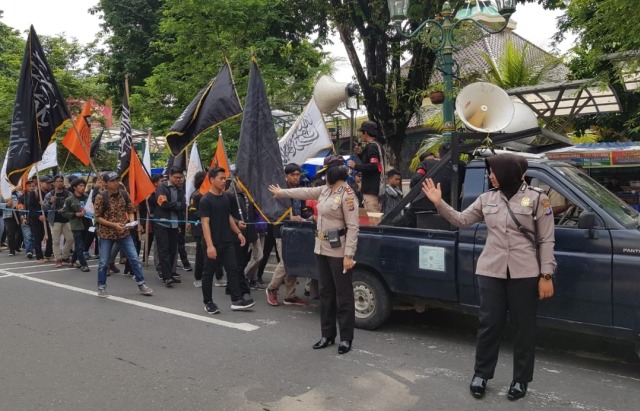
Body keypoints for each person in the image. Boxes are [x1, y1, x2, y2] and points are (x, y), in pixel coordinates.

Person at [421, 153, 556, 401]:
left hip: (525, 273)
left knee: (523, 328)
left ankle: (521, 379)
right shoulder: (486, 199)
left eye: (493, 171)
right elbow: (461, 220)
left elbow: (546, 239)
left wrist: (546, 274)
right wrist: (439, 203)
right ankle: (481, 374)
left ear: (508, 172)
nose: (490, 176)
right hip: (491, 271)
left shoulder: (538, 199)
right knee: (489, 325)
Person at [269, 154, 359, 354]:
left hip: (339, 251)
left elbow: (353, 227)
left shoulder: (348, 194)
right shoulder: (325, 190)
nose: (324, 176)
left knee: (343, 295)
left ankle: (346, 338)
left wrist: (349, 255)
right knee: (326, 293)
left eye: (327, 173)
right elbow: (305, 191)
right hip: (321, 248)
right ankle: (327, 334)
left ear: (335, 172)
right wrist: (281, 192)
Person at [200, 167, 255, 313]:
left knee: (234, 269)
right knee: (208, 273)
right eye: (221, 178)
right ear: (212, 180)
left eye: (225, 178)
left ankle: (236, 300)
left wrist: (238, 232)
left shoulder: (225, 197)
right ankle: (208, 302)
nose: (224, 181)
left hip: (227, 241)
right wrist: (210, 246)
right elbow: (205, 223)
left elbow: (228, 216)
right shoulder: (206, 200)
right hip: (213, 243)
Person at [94, 171, 153, 297]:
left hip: (124, 232)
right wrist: (113, 224)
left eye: (117, 180)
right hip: (106, 234)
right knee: (104, 262)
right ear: (106, 183)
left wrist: (131, 221)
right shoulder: (101, 197)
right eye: (112, 181)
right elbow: (98, 217)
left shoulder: (124, 194)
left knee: (134, 258)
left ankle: (141, 284)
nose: (116, 183)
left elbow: (130, 210)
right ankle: (101, 287)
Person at [265, 163, 312, 307]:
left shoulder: (300, 190)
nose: (296, 177)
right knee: (285, 262)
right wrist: (290, 218)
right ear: (286, 176)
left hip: (297, 231)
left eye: (298, 175)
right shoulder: (279, 191)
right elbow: (273, 212)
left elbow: (303, 210)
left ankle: (290, 296)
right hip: (281, 230)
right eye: (293, 175)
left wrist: (310, 215)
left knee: (294, 262)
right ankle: (272, 288)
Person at [154, 167, 186, 286]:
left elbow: (183, 205)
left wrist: (175, 205)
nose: (179, 180)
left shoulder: (181, 190)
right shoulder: (162, 187)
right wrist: (176, 205)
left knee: (173, 250)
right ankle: (166, 276)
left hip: (175, 223)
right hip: (162, 223)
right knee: (164, 250)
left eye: (180, 178)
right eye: (176, 178)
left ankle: (171, 273)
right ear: (170, 176)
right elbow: (162, 203)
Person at [347, 120, 384, 212]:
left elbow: (374, 166)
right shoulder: (377, 145)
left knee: (374, 219)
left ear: (366, 133)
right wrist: (360, 154)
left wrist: (356, 166)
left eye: (361, 133)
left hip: (372, 189)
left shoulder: (371, 147)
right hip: (373, 188)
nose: (361, 135)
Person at [43, 174, 74, 268]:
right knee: (55, 241)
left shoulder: (68, 193)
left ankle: (65, 256)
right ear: (54, 183)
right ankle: (58, 259)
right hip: (54, 220)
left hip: (66, 219)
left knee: (70, 239)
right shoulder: (50, 194)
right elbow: (44, 208)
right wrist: (50, 202)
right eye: (57, 181)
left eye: (61, 181)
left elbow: (73, 204)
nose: (59, 183)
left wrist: (65, 209)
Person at [62, 178, 90, 272]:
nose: (83, 188)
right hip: (76, 224)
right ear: (74, 187)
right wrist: (75, 214)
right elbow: (64, 212)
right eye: (80, 186)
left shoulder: (87, 198)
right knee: (79, 245)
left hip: (87, 223)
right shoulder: (69, 200)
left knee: (82, 244)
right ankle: (83, 264)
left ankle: (73, 261)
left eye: (84, 186)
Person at [187, 171, 207, 287]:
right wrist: (206, 215)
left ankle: (218, 276)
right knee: (200, 252)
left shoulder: (210, 193)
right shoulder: (196, 195)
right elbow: (193, 211)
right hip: (199, 227)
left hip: (211, 227)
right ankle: (198, 277)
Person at [28, 176, 54, 263]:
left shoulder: (49, 193)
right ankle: (39, 257)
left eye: (49, 183)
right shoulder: (34, 193)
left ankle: (48, 254)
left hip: (48, 218)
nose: (49, 185)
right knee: (38, 238)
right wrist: (38, 216)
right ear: (40, 183)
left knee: (50, 237)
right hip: (37, 219)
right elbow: (31, 208)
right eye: (47, 183)